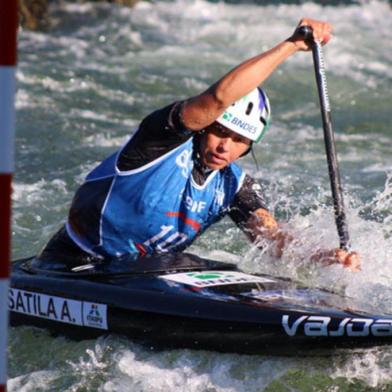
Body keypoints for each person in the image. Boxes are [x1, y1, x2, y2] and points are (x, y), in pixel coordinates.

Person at [39, 18, 360, 272]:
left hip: (143, 272)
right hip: (74, 264)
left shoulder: (233, 185)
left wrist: (325, 256)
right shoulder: (159, 140)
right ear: (205, 125)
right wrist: (292, 45)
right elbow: (218, 98)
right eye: (221, 132)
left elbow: (272, 239)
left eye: (239, 141)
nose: (225, 147)